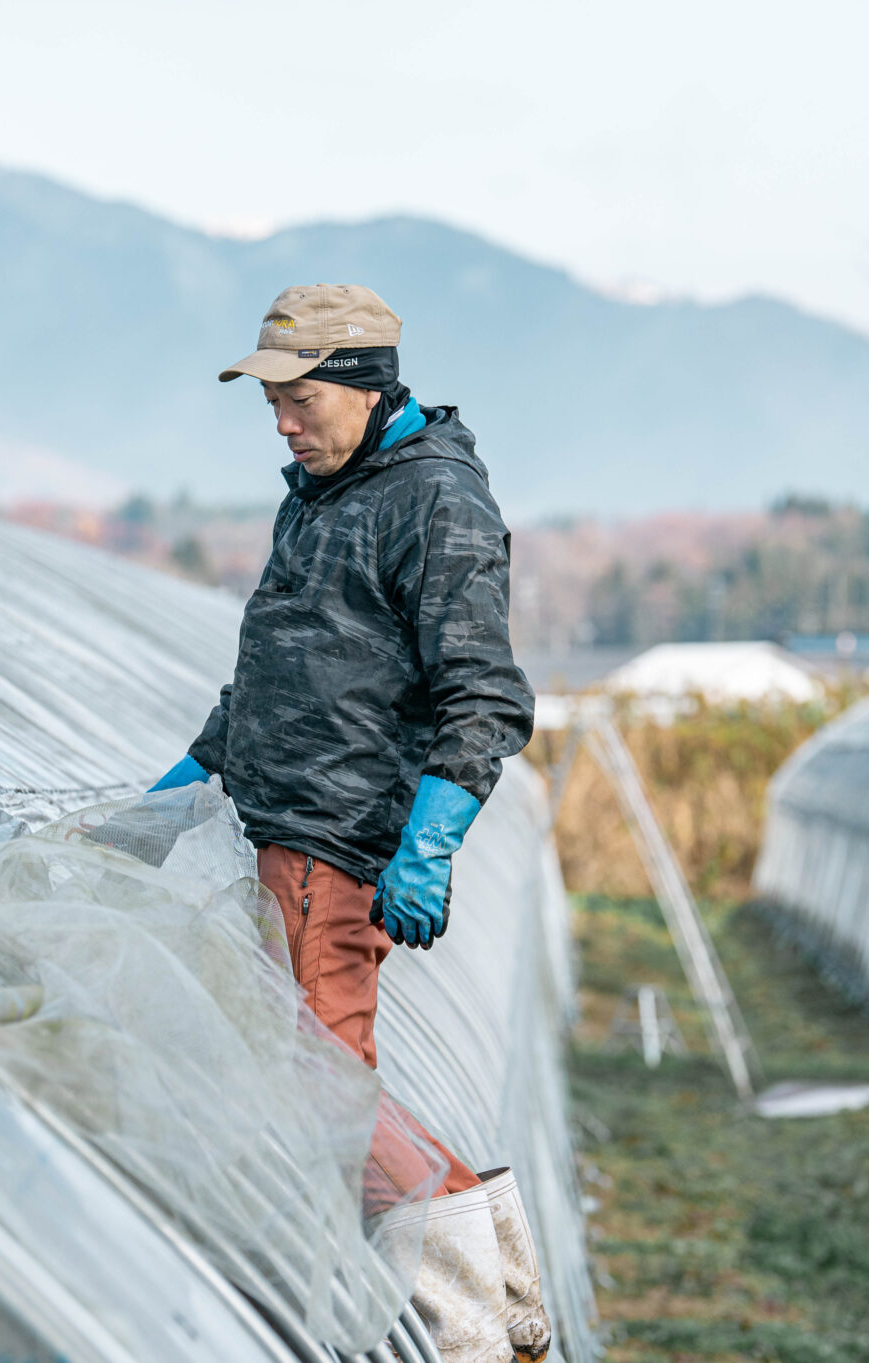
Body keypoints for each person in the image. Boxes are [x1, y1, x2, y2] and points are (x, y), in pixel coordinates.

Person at [151, 284, 549, 1363]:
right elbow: (287, 661)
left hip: (336, 853)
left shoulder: (435, 502)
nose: (280, 420)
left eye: (297, 396)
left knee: (323, 1099)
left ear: (365, 385)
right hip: (278, 836)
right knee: (318, 1092)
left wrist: (425, 842)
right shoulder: (322, 494)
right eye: (268, 400)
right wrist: (196, 767)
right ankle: (506, 1306)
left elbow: (484, 695)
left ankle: (472, 1334)